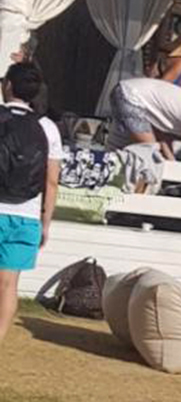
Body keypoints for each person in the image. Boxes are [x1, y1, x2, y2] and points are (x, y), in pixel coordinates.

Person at [0, 63, 65, 343]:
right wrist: (45, 222)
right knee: (8, 285)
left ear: (8, 86)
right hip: (26, 215)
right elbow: (52, 181)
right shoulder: (48, 127)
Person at [106, 77, 181, 163]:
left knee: (118, 149)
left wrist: (172, 162)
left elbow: (162, 137)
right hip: (131, 97)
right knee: (150, 154)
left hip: (124, 90)